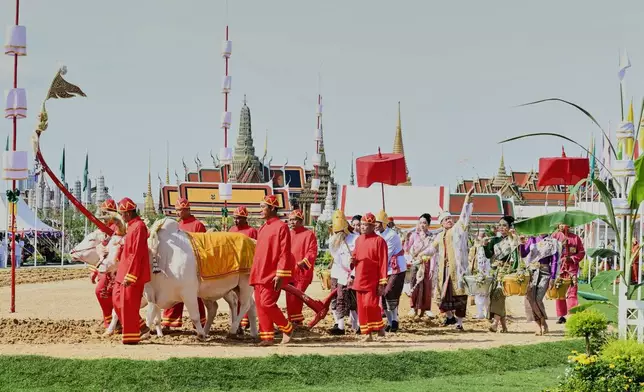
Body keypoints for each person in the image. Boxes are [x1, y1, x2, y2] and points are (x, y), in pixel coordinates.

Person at [425, 186, 475, 330]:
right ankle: (449, 317)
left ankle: (459, 323)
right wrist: (420, 256)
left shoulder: (457, 230)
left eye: (450, 218)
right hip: (444, 271)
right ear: (441, 223)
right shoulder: (439, 236)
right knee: (442, 295)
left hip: (457, 269)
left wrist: (467, 199)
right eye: (446, 219)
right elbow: (431, 249)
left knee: (459, 296)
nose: (449, 221)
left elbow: (464, 216)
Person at [250, 195, 294, 346]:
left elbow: (284, 253)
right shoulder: (262, 227)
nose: (260, 210)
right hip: (259, 273)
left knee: (267, 303)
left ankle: (287, 328)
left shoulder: (282, 227)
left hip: (272, 273)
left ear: (272, 208)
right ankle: (267, 337)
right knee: (261, 305)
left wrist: (280, 274)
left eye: (263, 207)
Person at [162, 198, 207, 330]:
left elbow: (202, 247)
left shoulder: (198, 225)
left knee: (194, 295)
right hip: (177, 266)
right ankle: (169, 322)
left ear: (187, 210)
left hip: (192, 267)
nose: (178, 213)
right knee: (174, 293)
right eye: (176, 210)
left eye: (180, 210)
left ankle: (200, 323)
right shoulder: (176, 225)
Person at [112, 198, 151, 344]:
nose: (121, 217)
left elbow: (137, 252)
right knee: (116, 300)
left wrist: (132, 275)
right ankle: (141, 327)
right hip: (123, 270)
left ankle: (131, 337)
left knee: (128, 304)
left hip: (132, 273)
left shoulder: (139, 227)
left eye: (122, 214)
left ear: (128, 213)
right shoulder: (131, 226)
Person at [351, 213, 388, 341]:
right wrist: (353, 260)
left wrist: (382, 282)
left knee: (370, 305)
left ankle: (375, 329)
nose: (362, 227)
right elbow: (355, 258)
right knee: (361, 307)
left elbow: (383, 262)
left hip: (373, 279)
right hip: (360, 278)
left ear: (372, 226)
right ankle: (369, 333)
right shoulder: (358, 240)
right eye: (361, 224)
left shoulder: (380, 241)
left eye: (365, 225)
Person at [483, 216, 520, 333]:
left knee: (499, 294)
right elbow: (489, 255)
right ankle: (504, 326)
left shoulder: (513, 240)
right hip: (496, 270)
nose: (502, 228)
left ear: (510, 227)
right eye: (500, 225)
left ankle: (495, 323)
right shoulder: (495, 240)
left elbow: (516, 256)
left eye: (504, 225)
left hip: (506, 270)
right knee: (495, 296)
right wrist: (484, 246)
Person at [92, 199, 125, 329]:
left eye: (106, 214)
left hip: (114, 268)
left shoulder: (118, 228)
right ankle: (111, 321)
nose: (104, 218)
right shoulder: (105, 229)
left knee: (101, 291)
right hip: (106, 266)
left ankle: (113, 322)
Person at [328, 210, 359, 335]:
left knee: (353, 300)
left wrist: (352, 273)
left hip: (353, 273)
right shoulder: (333, 241)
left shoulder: (356, 239)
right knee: (336, 298)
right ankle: (339, 325)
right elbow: (335, 257)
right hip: (338, 272)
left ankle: (356, 325)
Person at [520, 233, 558, 335]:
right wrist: (522, 244)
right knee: (531, 298)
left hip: (545, 272)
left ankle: (542, 321)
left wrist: (553, 277)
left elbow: (554, 261)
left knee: (538, 298)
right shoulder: (532, 239)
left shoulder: (552, 242)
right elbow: (523, 254)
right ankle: (539, 323)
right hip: (532, 272)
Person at [375, 210, 407, 332]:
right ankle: (390, 321)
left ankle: (395, 320)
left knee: (390, 293)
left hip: (395, 268)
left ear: (384, 223)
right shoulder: (378, 234)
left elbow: (385, 255)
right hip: (384, 269)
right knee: (383, 295)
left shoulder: (391, 235)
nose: (376, 225)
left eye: (378, 222)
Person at [285, 209, 318, 325]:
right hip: (289, 271)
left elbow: (312, 251)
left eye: (294, 220)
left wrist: (304, 262)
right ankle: (294, 320)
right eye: (290, 220)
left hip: (302, 272)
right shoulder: (287, 234)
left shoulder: (309, 235)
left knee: (296, 296)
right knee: (289, 296)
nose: (291, 222)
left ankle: (296, 320)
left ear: (300, 221)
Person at [228, 205, 258, 330]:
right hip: (232, 269)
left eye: (239, 218)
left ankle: (247, 321)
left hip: (246, 268)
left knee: (245, 297)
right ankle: (235, 322)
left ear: (245, 218)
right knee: (232, 298)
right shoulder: (231, 230)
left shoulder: (252, 231)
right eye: (235, 218)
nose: (236, 221)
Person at [551, 223, 585, 324]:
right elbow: (549, 251)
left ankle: (573, 315)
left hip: (571, 269)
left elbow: (582, 252)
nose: (563, 226)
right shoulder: (554, 237)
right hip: (559, 269)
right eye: (561, 224)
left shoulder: (575, 238)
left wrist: (572, 258)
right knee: (559, 292)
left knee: (572, 291)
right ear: (558, 225)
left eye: (565, 224)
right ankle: (561, 316)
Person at [406, 213, 437, 319]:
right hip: (416, 262)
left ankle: (425, 309)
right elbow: (407, 248)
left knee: (426, 286)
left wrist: (432, 268)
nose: (422, 225)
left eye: (424, 223)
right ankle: (413, 308)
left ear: (428, 224)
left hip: (427, 263)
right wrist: (406, 239)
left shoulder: (432, 237)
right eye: (420, 223)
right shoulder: (414, 235)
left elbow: (433, 253)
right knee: (414, 283)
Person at [469, 230, 491, 319]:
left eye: (483, 236)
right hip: (478, 273)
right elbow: (471, 260)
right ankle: (480, 313)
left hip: (487, 273)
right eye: (480, 237)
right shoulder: (474, 248)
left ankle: (487, 313)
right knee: (478, 294)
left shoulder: (487, 247)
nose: (481, 238)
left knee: (487, 293)